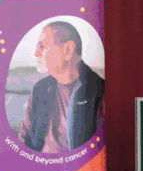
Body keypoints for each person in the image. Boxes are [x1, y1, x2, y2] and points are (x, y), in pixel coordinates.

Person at [18, 21, 105, 153]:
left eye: (42, 46)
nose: (36, 53)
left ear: (68, 50)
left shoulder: (101, 92)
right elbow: (24, 138)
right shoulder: (40, 89)